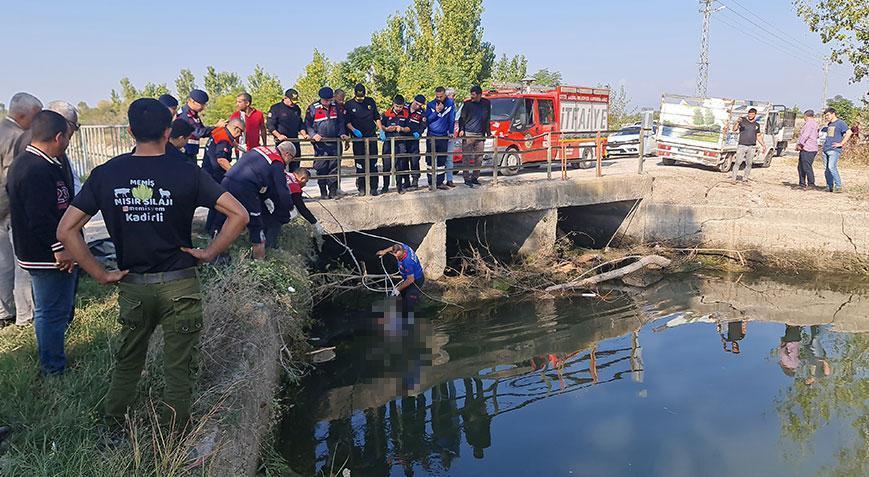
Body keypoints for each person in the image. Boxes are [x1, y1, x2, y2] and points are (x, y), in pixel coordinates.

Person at [56, 98, 248, 432]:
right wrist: (209, 252)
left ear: (130, 131)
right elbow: (239, 214)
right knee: (179, 366)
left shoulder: (106, 174)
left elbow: (66, 230)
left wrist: (99, 272)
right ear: (168, 131)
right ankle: (174, 437)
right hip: (180, 284)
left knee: (128, 361)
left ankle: (113, 430)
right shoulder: (187, 172)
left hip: (133, 285)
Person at [6, 110, 75, 375]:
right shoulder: (34, 168)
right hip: (45, 254)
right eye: (68, 138)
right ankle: (53, 368)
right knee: (50, 311)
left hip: (44, 250)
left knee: (54, 309)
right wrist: (60, 248)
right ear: (58, 137)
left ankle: (54, 357)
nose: (68, 143)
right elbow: (39, 218)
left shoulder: (39, 162)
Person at [0, 92, 41, 328]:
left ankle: (5, 311)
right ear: (24, 115)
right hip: (8, 209)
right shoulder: (17, 137)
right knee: (20, 262)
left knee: (4, 261)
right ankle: (24, 315)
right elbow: (13, 177)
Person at [213, 142, 296, 259]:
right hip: (245, 188)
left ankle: (215, 255)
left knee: (223, 218)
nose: (288, 162)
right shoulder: (277, 162)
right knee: (256, 226)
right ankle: (259, 263)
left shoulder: (259, 149)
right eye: (291, 159)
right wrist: (289, 206)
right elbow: (281, 190)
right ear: (287, 154)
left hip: (227, 180)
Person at [262, 167, 323, 248]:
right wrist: (314, 222)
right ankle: (269, 250)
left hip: (261, 199)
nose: (305, 185)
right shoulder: (294, 186)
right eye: (306, 181)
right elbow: (302, 208)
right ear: (302, 178)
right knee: (274, 226)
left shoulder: (286, 174)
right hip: (272, 205)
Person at [202, 119, 244, 235]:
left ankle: (209, 228)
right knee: (220, 202)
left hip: (207, 170)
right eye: (241, 132)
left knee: (213, 202)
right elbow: (221, 160)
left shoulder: (220, 131)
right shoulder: (224, 139)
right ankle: (214, 230)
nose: (240, 135)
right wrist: (234, 173)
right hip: (215, 174)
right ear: (236, 129)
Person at [305, 87, 348, 199]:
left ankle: (332, 192)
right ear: (321, 99)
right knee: (321, 167)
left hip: (334, 142)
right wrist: (313, 135)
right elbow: (308, 125)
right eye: (325, 101)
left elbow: (341, 122)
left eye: (329, 100)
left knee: (334, 168)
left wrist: (342, 133)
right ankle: (323, 192)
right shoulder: (313, 108)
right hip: (321, 144)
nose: (328, 103)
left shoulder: (336, 107)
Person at [344, 83, 382, 196]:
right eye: (358, 97)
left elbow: (377, 117)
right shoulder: (349, 104)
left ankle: (374, 187)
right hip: (358, 139)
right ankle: (362, 187)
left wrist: (381, 130)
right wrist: (354, 130)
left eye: (362, 97)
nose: (360, 99)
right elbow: (347, 122)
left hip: (371, 137)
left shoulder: (370, 101)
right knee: (360, 164)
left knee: (373, 164)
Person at [376, 242, 425, 317]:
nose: (396, 258)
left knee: (410, 299)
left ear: (402, 252)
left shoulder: (408, 262)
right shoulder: (403, 247)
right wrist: (384, 251)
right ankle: (403, 309)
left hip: (415, 281)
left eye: (398, 256)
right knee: (403, 295)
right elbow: (393, 247)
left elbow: (410, 280)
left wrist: (397, 289)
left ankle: (412, 317)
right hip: (408, 279)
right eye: (394, 255)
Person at [176, 89, 225, 160]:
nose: (203, 107)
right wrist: (216, 126)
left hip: (191, 152)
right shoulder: (185, 115)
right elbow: (199, 132)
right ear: (192, 101)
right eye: (201, 104)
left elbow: (204, 130)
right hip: (184, 152)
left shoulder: (194, 114)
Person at [267, 89, 308, 173]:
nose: (293, 103)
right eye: (291, 101)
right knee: (280, 166)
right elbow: (270, 125)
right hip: (282, 142)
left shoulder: (296, 109)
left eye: (295, 101)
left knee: (295, 166)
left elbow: (300, 124)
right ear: (285, 98)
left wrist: (304, 134)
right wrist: (278, 135)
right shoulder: (276, 108)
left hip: (295, 140)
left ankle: (294, 184)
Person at [458, 85, 490, 187]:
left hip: (480, 134)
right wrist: (461, 129)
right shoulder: (467, 104)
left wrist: (488, 132)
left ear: (479, 95)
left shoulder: (486, 103)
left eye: (474, 96)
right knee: (466, 157)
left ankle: (475, 177)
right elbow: (461, 118)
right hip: (468, 133)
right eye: (471, 95)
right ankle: (466, 178)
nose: (472, 98)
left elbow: (487, 118)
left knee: (479, 157)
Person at [427, 87, 456, 189]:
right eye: (437, 96)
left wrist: (451, 131)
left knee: (442, 161)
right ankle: (431, 183)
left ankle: (439, 182)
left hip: (443, 135)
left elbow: (451, 118)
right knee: (430, 160)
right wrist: (436, 111)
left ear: (445, 95)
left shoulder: (450, 104)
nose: (439, 98)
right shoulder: (430, 104)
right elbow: (427, 120)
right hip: (431, 135)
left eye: (441, 96)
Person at [381, 95, 410, 193]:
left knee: (400, 165)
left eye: (401, 107)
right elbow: (381, 125)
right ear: (393, 104)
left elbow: (409, 128)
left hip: (400, 142)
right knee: (386, 165)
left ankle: (399, 187)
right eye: (397, 106)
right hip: (388, 142)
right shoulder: (386, 113)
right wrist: (385, 129)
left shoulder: (406, 114)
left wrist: (401, 128)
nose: (398, 109)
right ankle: (385, 187)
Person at [821, 107, 852, 193]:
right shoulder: (829, 124)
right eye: (825, 116)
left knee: (832, 167)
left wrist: (841, 143)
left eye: (827, 115)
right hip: (826, 148)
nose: (826, 117)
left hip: (834, 149)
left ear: (833, 114)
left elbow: (849, 133)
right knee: (826, 169)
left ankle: (838, 186)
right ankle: (829, 186)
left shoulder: (840, 123)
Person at [731, 107, 765, 183]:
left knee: (749, 163)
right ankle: (733, 179)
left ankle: (745, 178)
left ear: (755, 115)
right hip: (742, 145)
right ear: (748, 114)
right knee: (738, 162)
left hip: (752, 146)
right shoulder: (742, 121)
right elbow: (734, 129)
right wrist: (737, 122)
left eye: (752, 114)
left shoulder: (757, 125)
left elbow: (758, 136)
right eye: (749, 114)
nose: (750, 115)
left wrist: (763, 145)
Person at [406, 95, 427, 189]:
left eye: (420, 105)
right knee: (403, 161)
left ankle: (415, 180)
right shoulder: (405, 107)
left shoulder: (422, 113)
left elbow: (423, 125)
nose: (418, 106)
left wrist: (419, 133)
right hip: (402, 138)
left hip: (414, 139)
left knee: (414, 160)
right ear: (413, 100)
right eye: (417, 104)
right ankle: (405, 181)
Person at [796, 109, 819, 189]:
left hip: (808, 148)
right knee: (801, 166)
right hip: (810, 148)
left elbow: (805, 135)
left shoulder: (809, 124)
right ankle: (802, 183)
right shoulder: (815, 124)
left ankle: (811, 184)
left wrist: (800, 144)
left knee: (806, 167)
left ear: (806, 116)